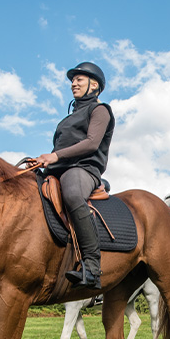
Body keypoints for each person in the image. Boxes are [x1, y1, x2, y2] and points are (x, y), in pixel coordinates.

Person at [35, 62, 114, 290]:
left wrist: (55, 156)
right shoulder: (66, 119)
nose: (73, 84)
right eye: (72, 80)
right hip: (58, 168)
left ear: (94, 85)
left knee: (71, 192)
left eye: (79, 79)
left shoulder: (100, 110)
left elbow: (91, 144)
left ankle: (91, 267)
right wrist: (44, 161)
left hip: (84, 169)